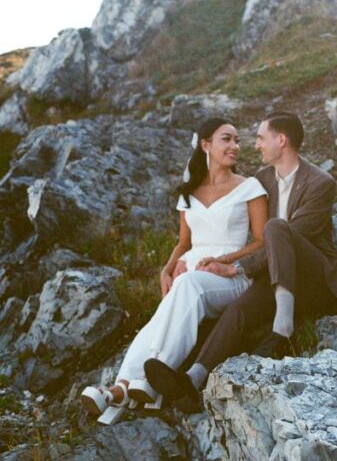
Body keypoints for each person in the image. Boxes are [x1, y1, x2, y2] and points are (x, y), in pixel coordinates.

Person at [144, 111, 337, 402]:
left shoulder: (320, 182)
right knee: (238, 310)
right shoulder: (261, 180)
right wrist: (189, 257)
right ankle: (193, 380)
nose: (255, 145)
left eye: (260, 138)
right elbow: (244, 235)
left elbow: (291, 236)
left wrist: (237, 268)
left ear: (281, 140)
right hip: (276, 274)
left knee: (277, 227)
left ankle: (283, 328)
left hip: (314, 276)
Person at [79, 116, 268, 424]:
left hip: (232, 276)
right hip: (191, 276)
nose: (235, 145)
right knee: (170, 302)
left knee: (189, 285)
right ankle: (120, 388)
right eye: (227, 139)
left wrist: (226, 261)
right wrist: (166, 270)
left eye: (237, 140)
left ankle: (153, 374)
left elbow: (262, 242)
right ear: (206, 145)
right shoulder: (189, 193)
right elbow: (183, 243)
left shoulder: (249, 187)